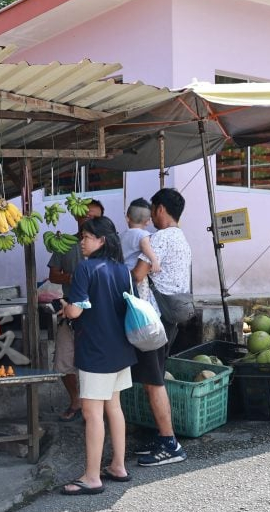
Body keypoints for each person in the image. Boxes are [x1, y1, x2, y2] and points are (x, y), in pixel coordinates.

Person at [59, 217, 137, 495]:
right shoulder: (123, 269)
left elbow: (76, 311)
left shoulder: (86, 268)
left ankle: (92, 476)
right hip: (121, 349)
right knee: (114, 407)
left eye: (87, 237)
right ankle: (118, 465)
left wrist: (65, 307)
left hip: (95, 350)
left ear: (101, 240)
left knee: (92, 413)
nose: (82, 242)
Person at [130, 188, 193, 467]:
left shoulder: (160, 238)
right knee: (154, 379)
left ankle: (170, 444)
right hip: (171, 318)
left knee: (154, 381)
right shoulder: (181, 238)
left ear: (160, 209)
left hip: (154, 321)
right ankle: (162, 436)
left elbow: (138, 274)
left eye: (153, 210)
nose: (151, 217)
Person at [48, 199, 104, 420]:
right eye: (86, 216)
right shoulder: (65, 243)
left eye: (95, 217)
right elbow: (53, 274)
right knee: (63, 361)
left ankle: (96, 408)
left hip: (98, 312)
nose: (89, 220)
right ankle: (76, 401)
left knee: (96, 362)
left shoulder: (107, 245)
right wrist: (72, 278)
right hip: (69, 309)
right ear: (77, 216)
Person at [121, 198, 161, 273]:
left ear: (127, 218)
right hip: (133, 271)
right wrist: (154, 260)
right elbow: (144, 245)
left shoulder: (121, 236)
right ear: (148, 222)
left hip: (122, 271)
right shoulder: (144, 235)